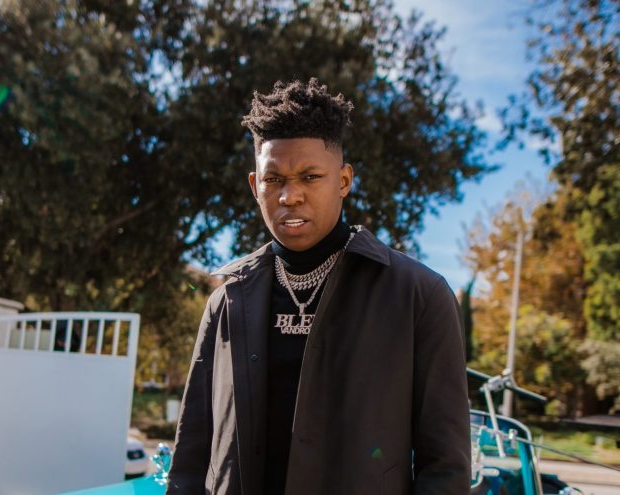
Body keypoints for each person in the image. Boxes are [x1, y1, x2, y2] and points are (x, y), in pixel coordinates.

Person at [166, 79, 470, 495]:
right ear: (255, 186)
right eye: (274, 179)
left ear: (343, 181)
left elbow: (446, 468)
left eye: (310, 176)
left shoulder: (420, 296)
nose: (290, 196)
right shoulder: (227, 300)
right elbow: (191, 453)